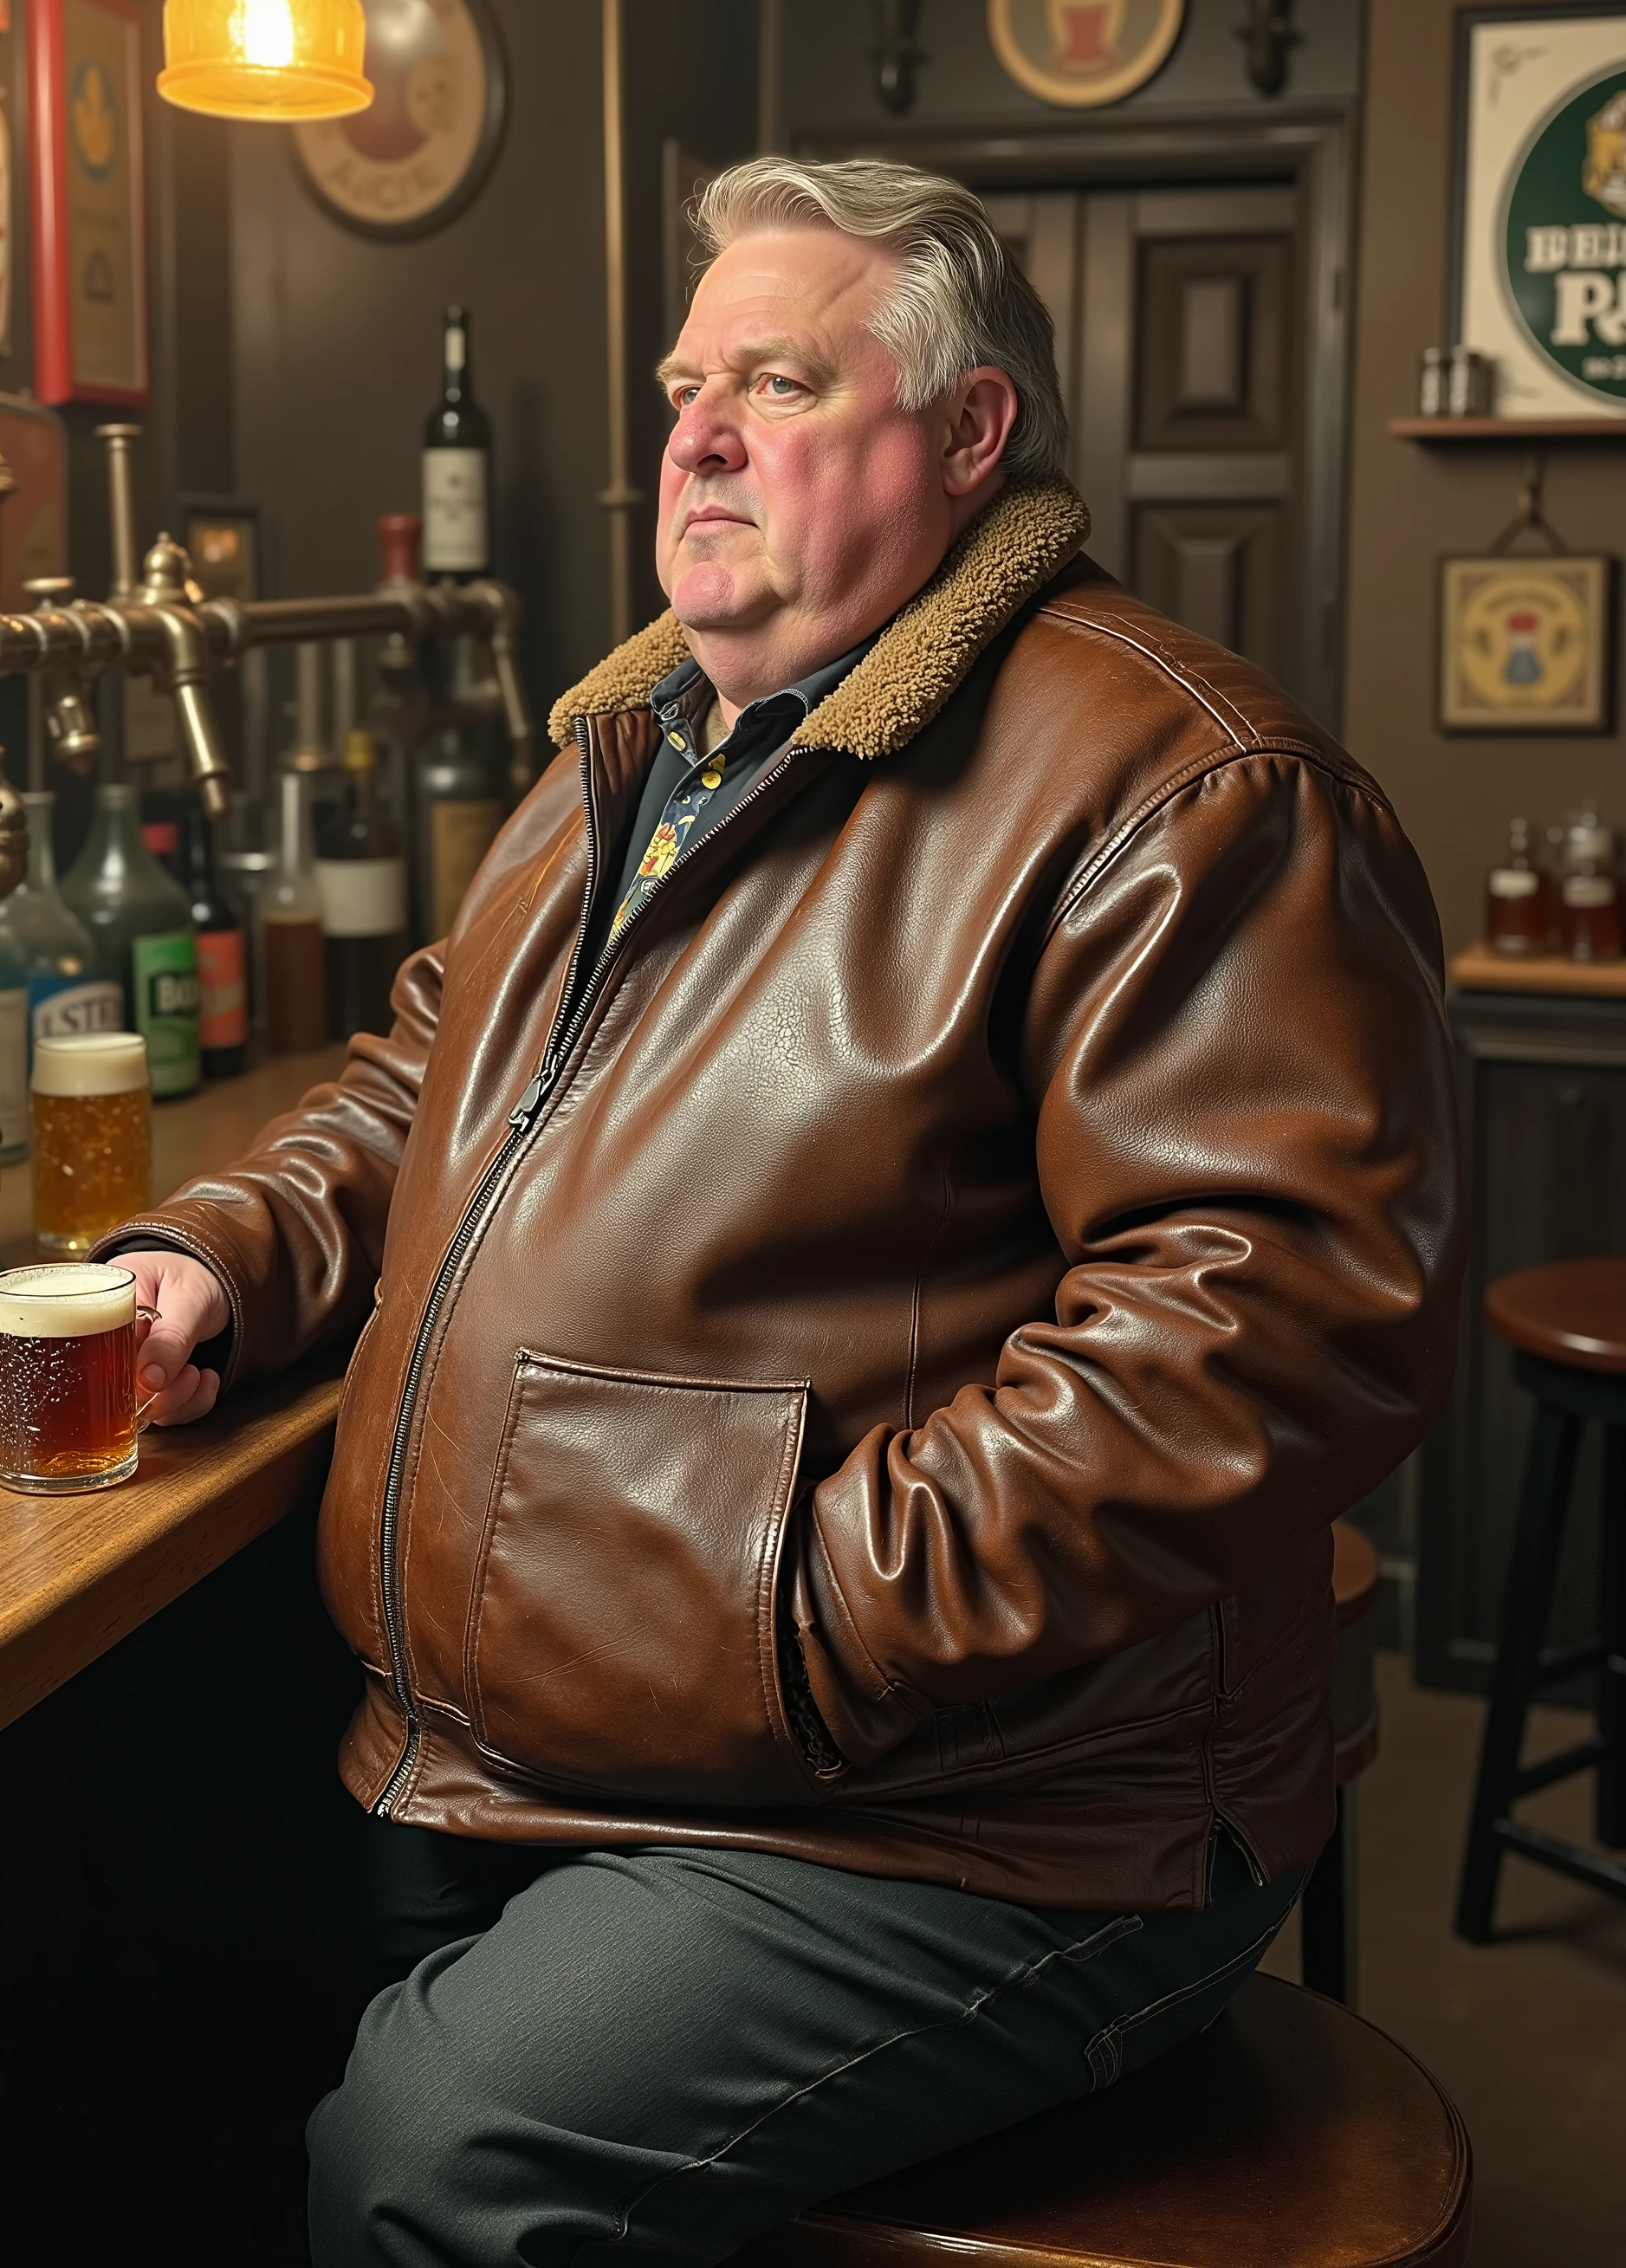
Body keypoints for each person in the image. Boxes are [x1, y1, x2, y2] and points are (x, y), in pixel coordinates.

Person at [105, 158, 1461, 2267]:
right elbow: (433, 1073)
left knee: (441, 2153)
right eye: (684, 383)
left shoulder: (1180, 787)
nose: (696, 433)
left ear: (969, 433)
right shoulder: (635, 738)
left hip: (963, 1820)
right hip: (545, 1742)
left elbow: (1281, 1317)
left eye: (779, 379)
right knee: (117, 1973)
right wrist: (224, 1250)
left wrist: (801, 1616)